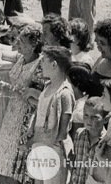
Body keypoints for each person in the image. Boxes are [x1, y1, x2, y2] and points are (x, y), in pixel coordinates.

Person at [0, 24, 44, 182]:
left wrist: (11, 89)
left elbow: (36, 96)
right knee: (5, 160)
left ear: (34, 45)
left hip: (26, 117)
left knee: (18, 162)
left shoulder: (40, 65)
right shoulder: (20, 57)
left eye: (22, 42)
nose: (17, 44)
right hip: (12, 113)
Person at [28, 46, 75, 184]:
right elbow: (40, 111)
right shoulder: (47, 86)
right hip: (40, 145)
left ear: (54, 64)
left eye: (43, 61)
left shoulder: (64, 93)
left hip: (53, 150)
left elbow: (63, 131)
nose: (40, 64)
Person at [71, 97, 108, 184]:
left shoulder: (107, 142)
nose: (89, 120)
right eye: (86, 115)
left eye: (95, 117)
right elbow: (75, 162)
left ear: (105, 119)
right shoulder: (79, 134)